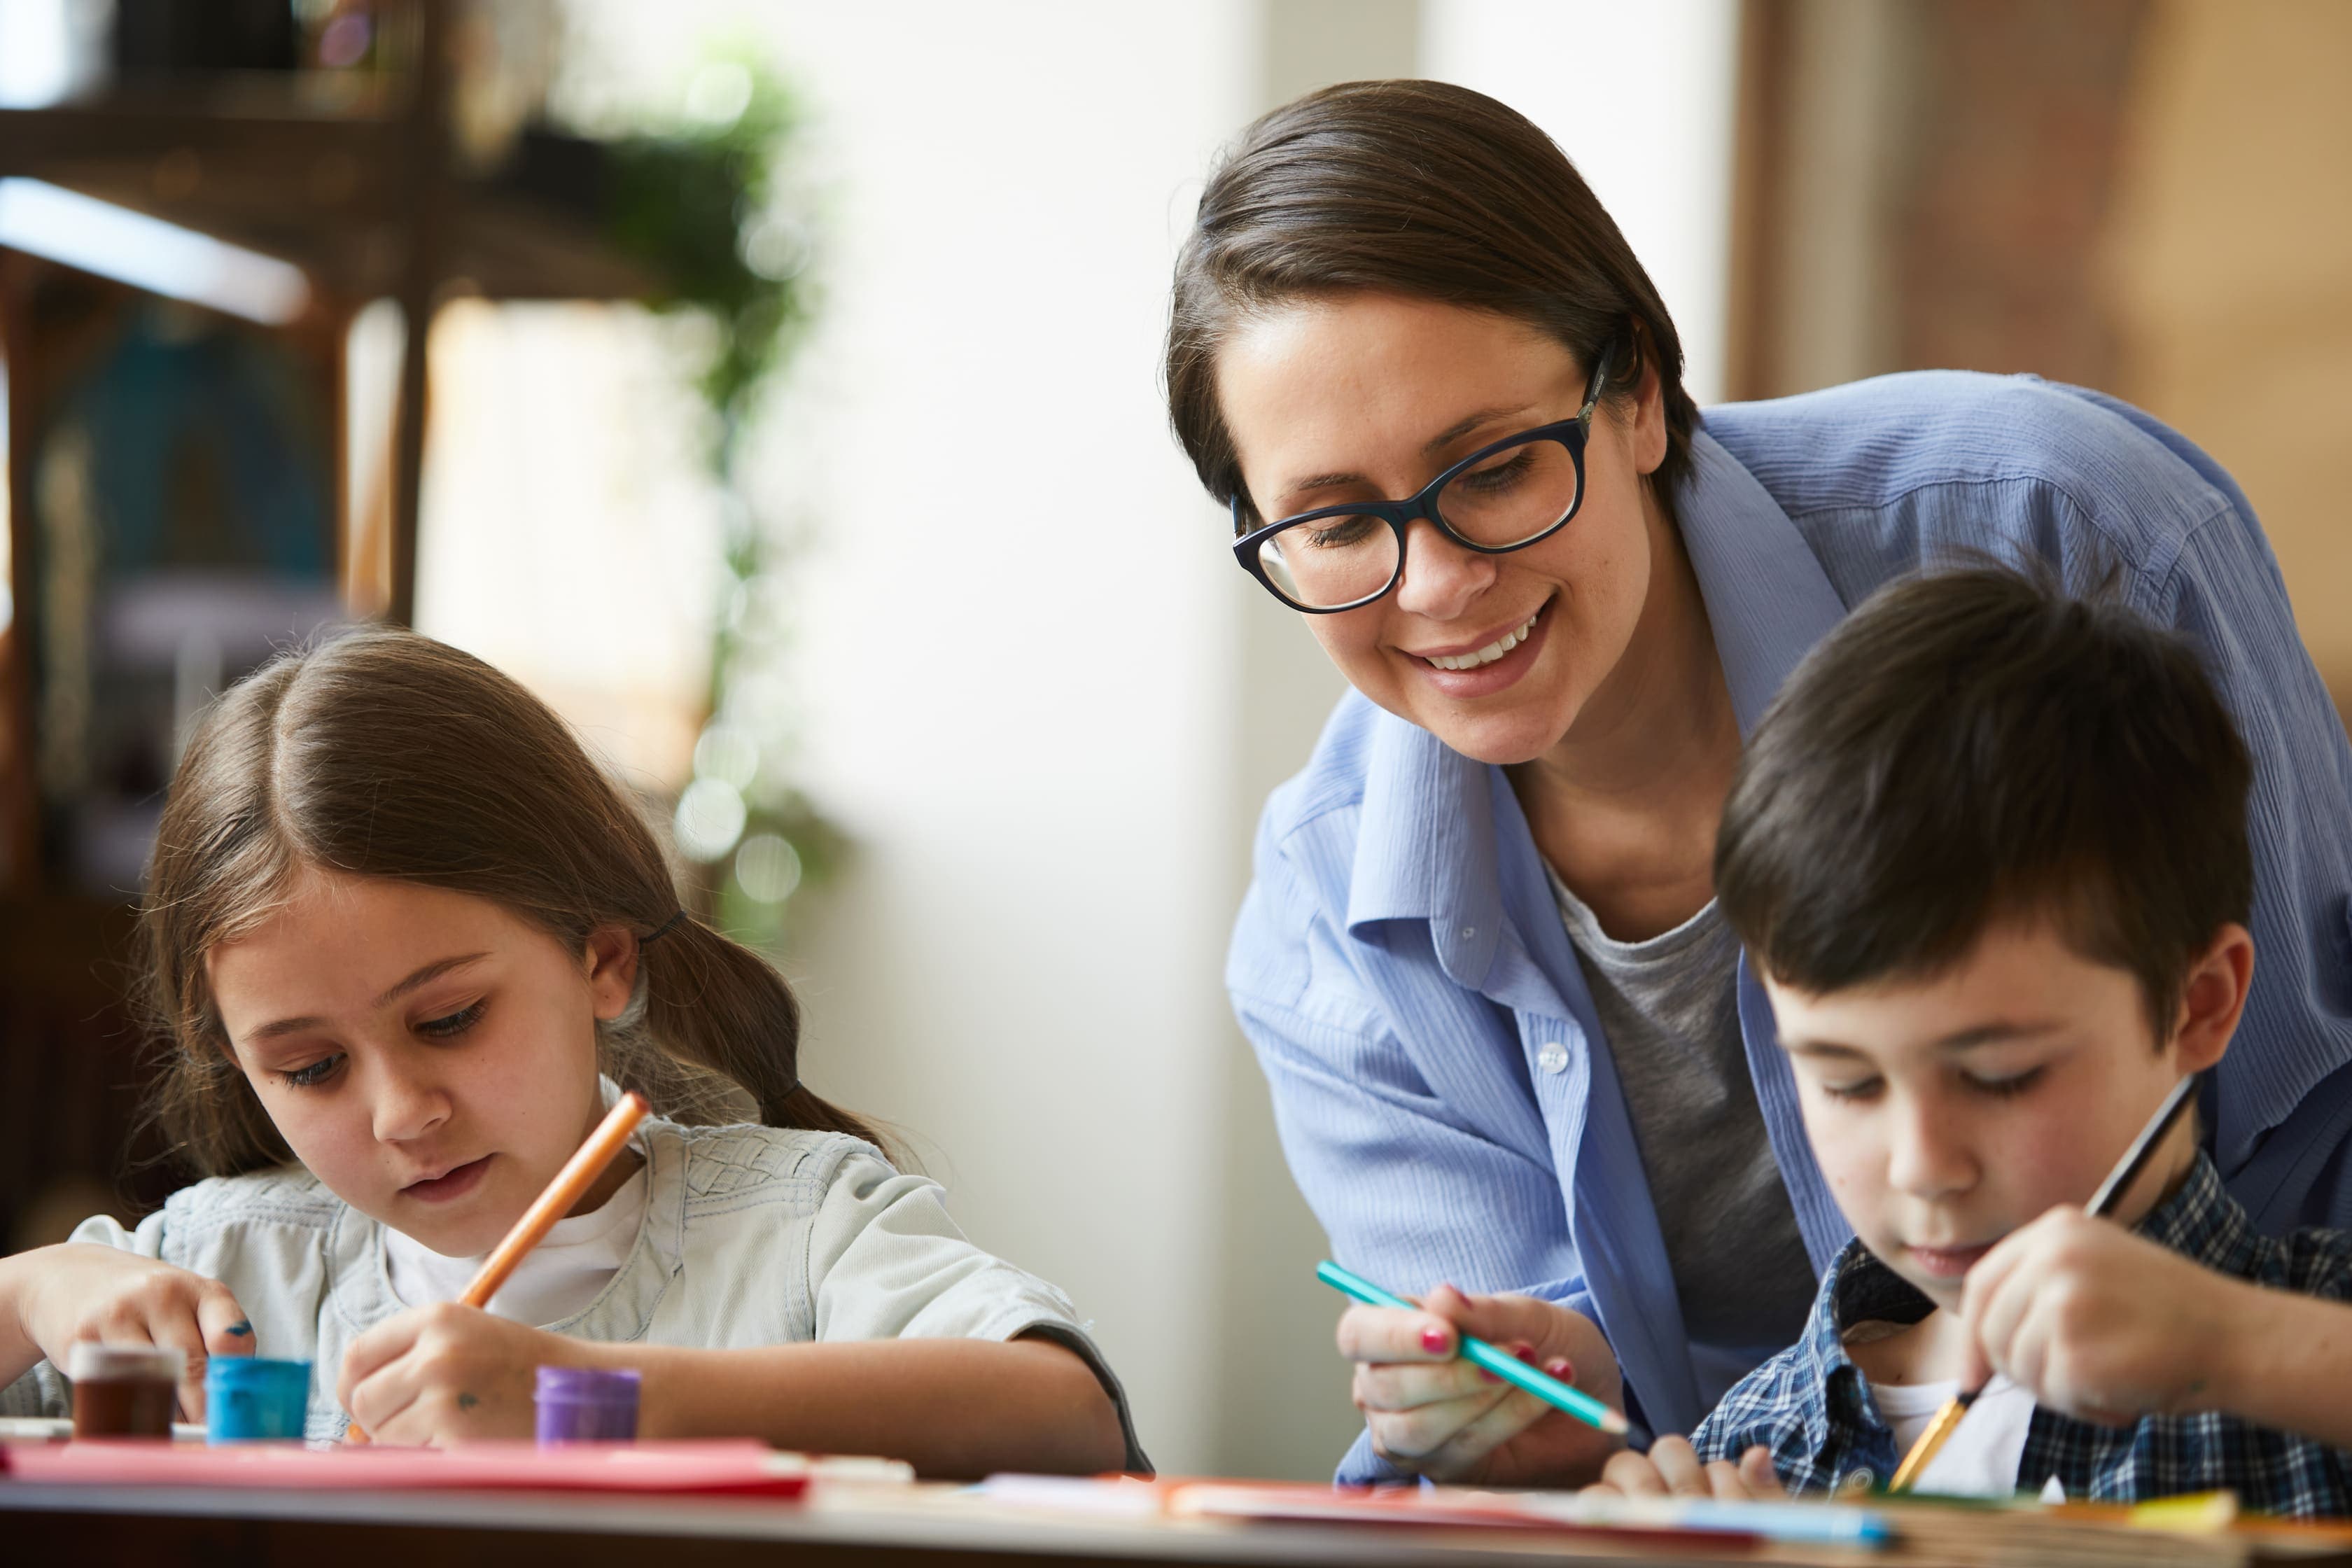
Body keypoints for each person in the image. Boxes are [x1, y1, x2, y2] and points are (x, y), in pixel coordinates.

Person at [1167, 78, 2352, 1485]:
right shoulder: (1325, 927)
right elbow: (1583, 1455)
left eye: (1492, 469)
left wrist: (2253, 1356)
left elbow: (2316, 1118)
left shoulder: (2069, 533)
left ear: (1641, 402)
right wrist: (1556, 1432)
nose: (1436, 585)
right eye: (1336, 523)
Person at [0, 629, 1144, 1478]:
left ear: (600, 961)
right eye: (310, 1069)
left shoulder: (793, 1235)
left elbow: (1065, 1412)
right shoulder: (230, 1271)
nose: (402, 1112)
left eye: (448, 1020)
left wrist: (579, 1396)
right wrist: (31, 1289)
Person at [1590, 566, 2352, 1515]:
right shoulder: (1751, 1449)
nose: (1923, 1168)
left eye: (2000, 1077)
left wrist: (2242, 1351)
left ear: (2196, 1006)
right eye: (1846, 1083)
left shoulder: (2316, 1344)